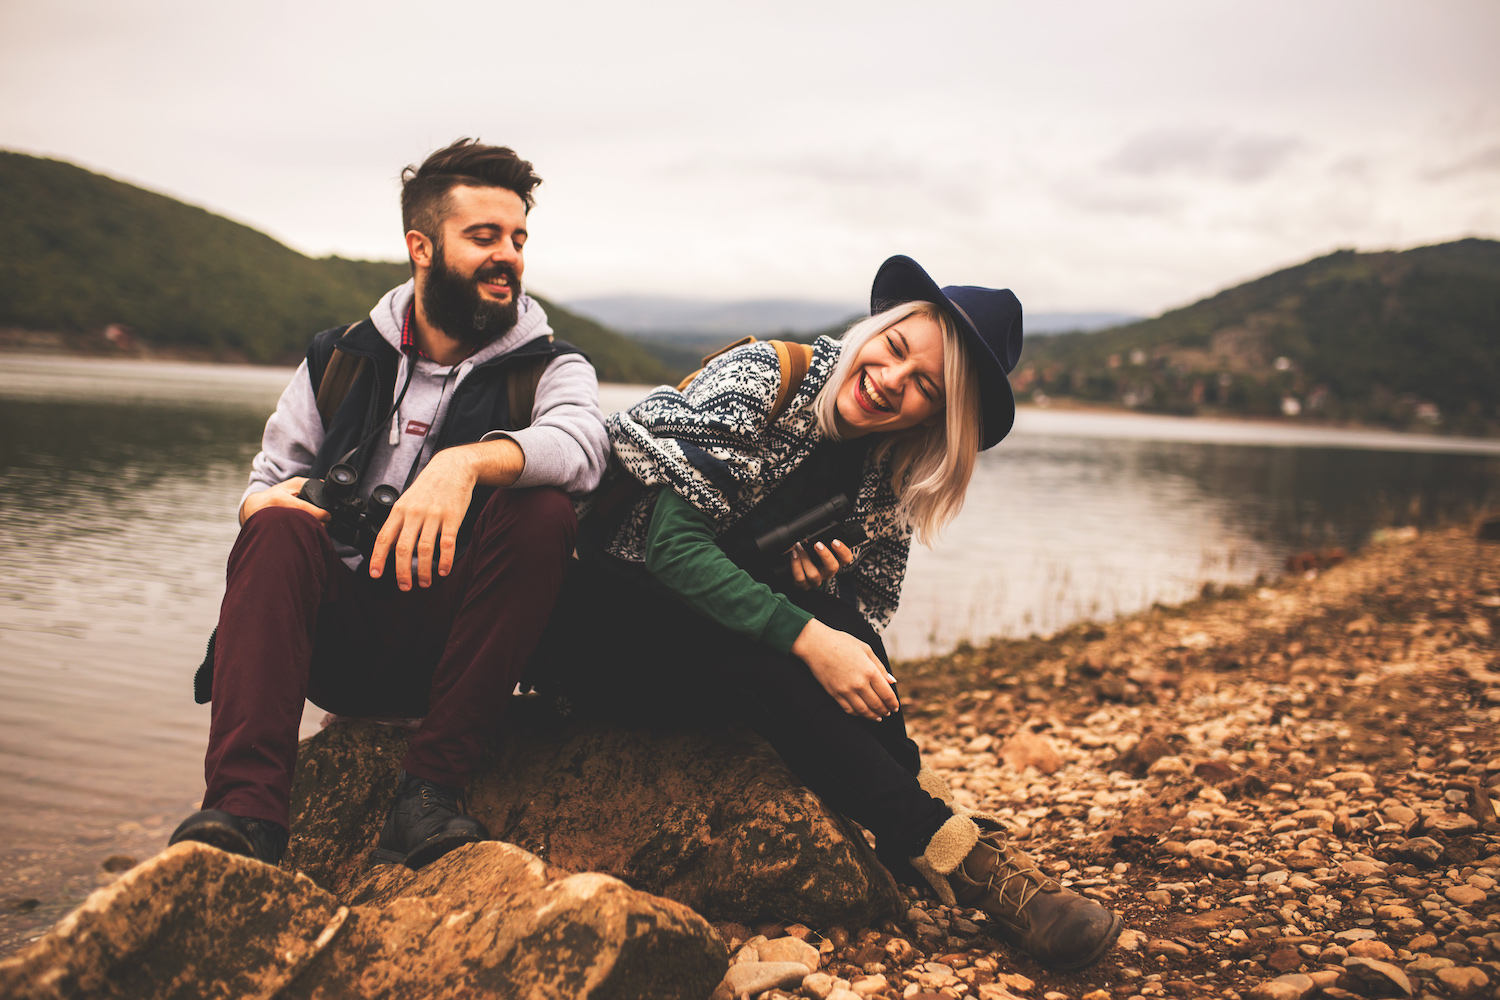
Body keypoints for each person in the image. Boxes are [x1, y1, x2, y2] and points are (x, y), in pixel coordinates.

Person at [532, 256, 1122, 971]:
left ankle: (939, 838)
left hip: (690, 644)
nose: (890, 380)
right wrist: (805, 631)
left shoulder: (888, 472)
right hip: (593, 625)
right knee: (781, 656)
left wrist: (812, 598)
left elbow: (860, 619)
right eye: (896, 349)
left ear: (938, 414)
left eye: (924, 387)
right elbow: (671, 549)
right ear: (877, 328)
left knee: (850, 634)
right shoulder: (766, 378)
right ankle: (969, 869)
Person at [169, 139, 609, 871]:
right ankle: (245, 818)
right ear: (422, 246)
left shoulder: (553, 366)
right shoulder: (339, 357)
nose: (509, 256)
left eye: (519, 238)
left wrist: (466, 464)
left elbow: (585, 448)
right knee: (276, 528)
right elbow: (264, 482)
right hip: (335, 644)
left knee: (544, 512)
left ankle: (427, 796)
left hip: (460, 651)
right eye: (484, 236)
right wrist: (268, 509)